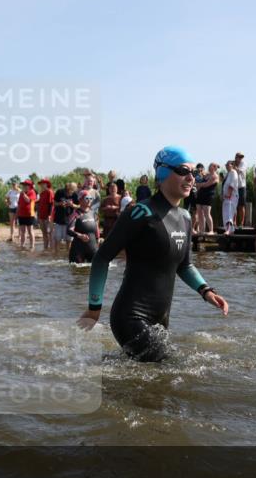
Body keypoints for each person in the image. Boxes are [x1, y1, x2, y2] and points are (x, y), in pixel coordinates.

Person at [77, 145, 228, 362]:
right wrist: (94, 309)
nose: (191, 178)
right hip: (130, 317)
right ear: (163, 173)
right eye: (183, 171)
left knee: (150, 378)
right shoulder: (140, 212)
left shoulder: (185, 217)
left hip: (160, 320)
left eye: (193, 173)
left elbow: (184, 265)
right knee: (167, 370)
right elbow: (102, 258)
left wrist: (206, 291)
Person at [67, 191, 100, 264]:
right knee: (77, 272)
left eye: (91, 198)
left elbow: (96, 229)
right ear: (80, 200)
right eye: (87, 198)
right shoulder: (76, 214)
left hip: (92, 248)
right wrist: (80, 235)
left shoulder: (93, 213)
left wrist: (98, 240)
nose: (89, 200)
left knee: (94, 270)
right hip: (78, 250)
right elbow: (69, 230)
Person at [194, 163, 218, 234]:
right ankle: (201, 230)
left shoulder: (215, 176)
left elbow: (206, 185)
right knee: (199, 213)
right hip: (200, 195)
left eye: (211, 166)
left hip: (208, 195)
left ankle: (211, 230)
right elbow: (198, 178)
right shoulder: (206, 175)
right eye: (209, 165)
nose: (209, 167)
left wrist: (197, 184)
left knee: (207, 213)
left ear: (214, 168)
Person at [16, 180, 37, 250]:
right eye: (23, 185)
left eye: (25, 185)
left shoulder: (32, 192)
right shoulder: (22, 194)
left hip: (29, 214)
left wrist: (23, 194)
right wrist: (17, 213)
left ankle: (32, 246)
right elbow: (19, 204)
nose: (24, 186)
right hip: (21, 214)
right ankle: (22, 245)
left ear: (29, 186)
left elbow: (28, 200)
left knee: (30, 230)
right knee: (22, 231)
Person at [221, 160, 240, 234]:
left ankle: (229, 230)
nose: (226, 166)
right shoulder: (228, 173)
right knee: (226, 213)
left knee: (229, 213)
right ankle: (229, 230)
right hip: (226, 196)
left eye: (228, 164)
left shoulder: (233, 172)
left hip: (231, 196)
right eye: (226, 164)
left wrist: (229, 194)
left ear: (232, 165)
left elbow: (232, 184)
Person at [36, 179, 54, 249]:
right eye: (41, 184)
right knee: (44, 233)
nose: (41, 185)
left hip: (47, 216)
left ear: (47, 184)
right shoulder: (42, 193)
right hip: (41, 215)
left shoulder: (49, 192)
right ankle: (45, 248)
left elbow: (51, 204)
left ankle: (52, 248)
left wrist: (49, 215)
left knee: (50, 233)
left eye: (43, 183)